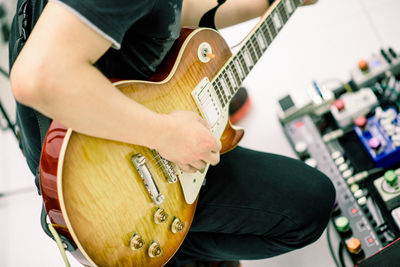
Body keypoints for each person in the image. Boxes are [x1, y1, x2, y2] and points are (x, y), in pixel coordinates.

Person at [9, 0, 335, 266]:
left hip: (85, 133)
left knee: (217, 84)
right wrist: (165, 134)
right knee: (312, 204)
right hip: (114, 173)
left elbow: (168, 9)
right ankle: (158, 251)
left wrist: (268, 4)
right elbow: (38, 77)